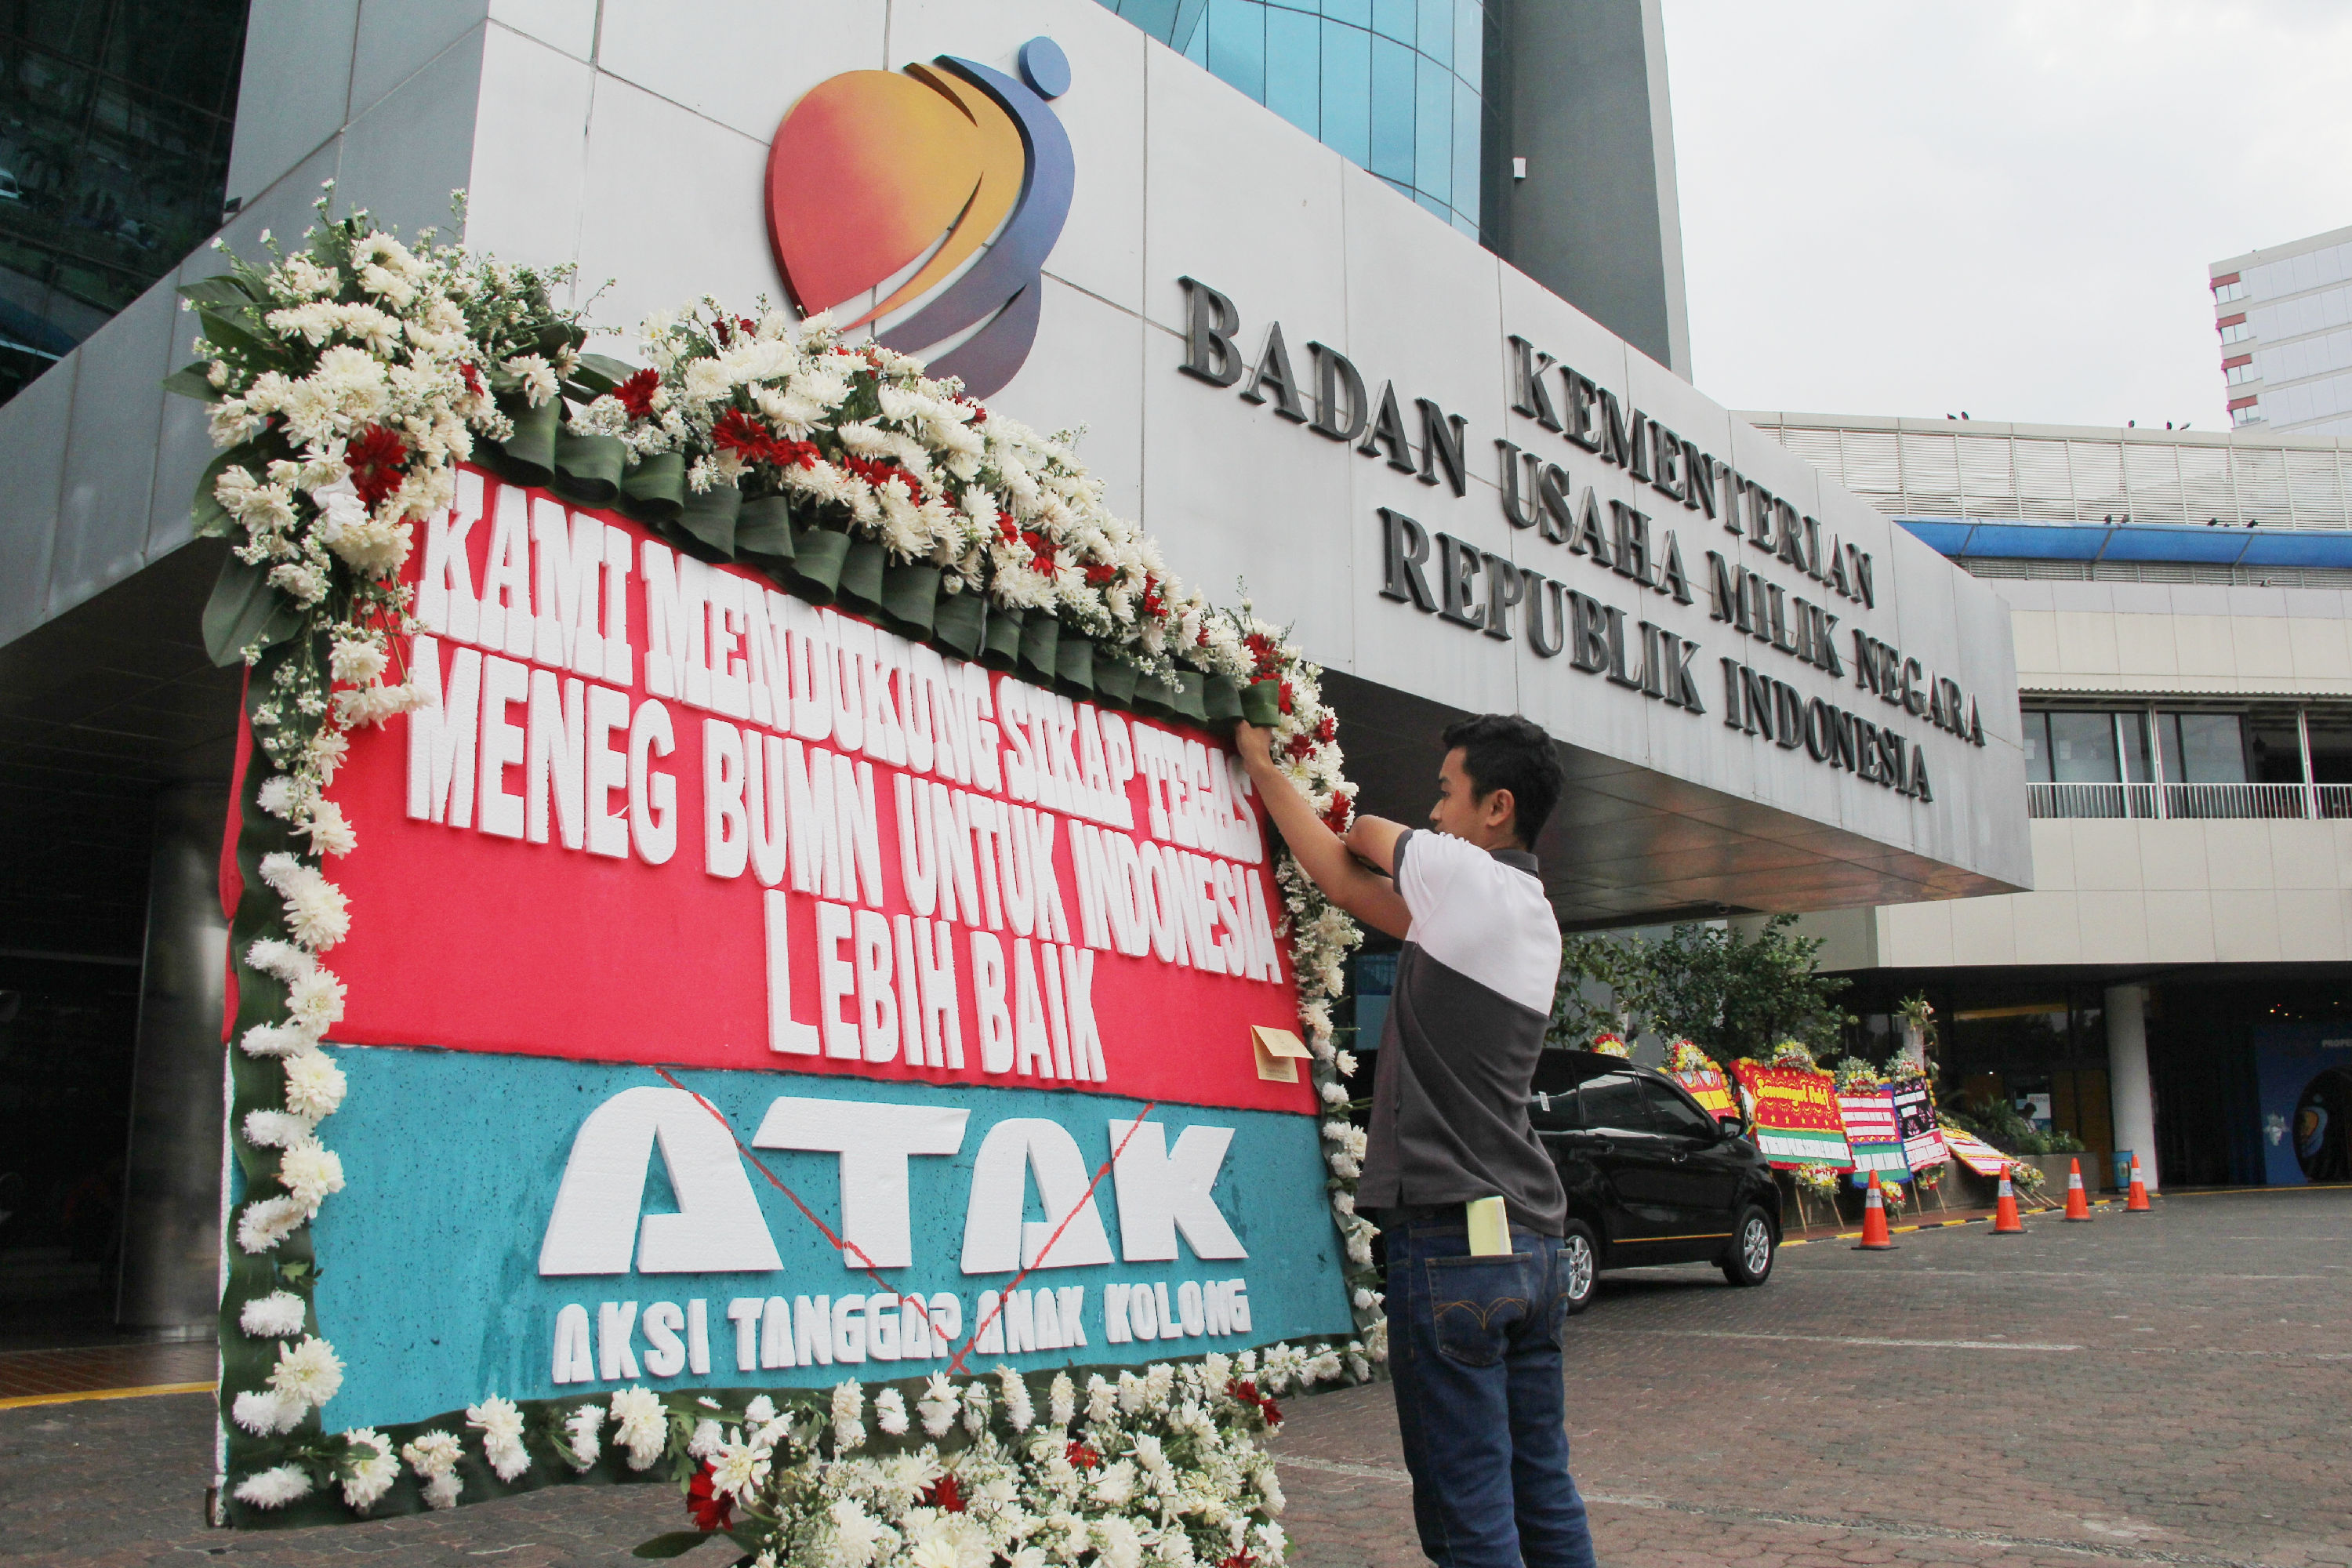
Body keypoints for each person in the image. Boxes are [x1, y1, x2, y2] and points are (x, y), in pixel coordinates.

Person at [1234, 712, 1595, 1568]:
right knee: (1540, 1485)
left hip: (1451, 1238)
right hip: (1530, 1238)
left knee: (1468, 1506)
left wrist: (1263, 758)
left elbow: (1360, 833)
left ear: (1497, 807)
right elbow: (1350, 887)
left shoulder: (1467, 879)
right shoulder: (1528, 915)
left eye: (1446, 792)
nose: (1435, 813)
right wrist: (1266, 771)